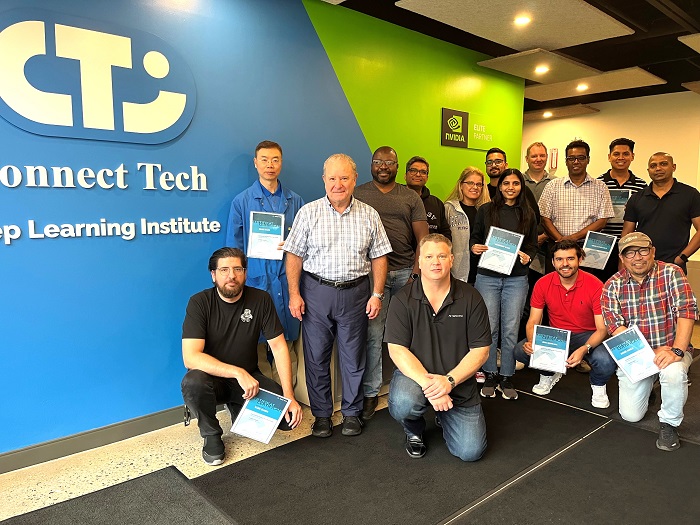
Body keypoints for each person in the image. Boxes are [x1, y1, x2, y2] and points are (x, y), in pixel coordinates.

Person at [284, 153, 391, 438]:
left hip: (356, 294)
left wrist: (377, 294)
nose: (338, 184)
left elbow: (380, 256)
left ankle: (352, 413)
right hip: (316, 292)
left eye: (344, 178)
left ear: (355, 180)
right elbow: (294, 255)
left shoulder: (369, 214)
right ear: (324, 180)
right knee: (316, 357)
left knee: (353, 357)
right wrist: (294, 294)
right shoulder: (308, 213)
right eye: (332, 178)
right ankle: (322, 415)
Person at [181, 247, 303, 466]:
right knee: (192, 381)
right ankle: (211, 435)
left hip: (249, 382)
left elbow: (278, 347)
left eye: (237, 269)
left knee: (286, 421)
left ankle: (237, 405)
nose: (231, 276)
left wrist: (289, 396)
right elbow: (191, 357)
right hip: (212, 381)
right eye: (224, 270)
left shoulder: (261, 299)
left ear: (245, 273)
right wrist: (238, 373)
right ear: (213, 275)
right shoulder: (199, 303)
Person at [384, 234, 491, 461]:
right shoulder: (402, 299)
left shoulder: (471, 297)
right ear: (419, 261)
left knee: (470, 452)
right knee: (404, 403)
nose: (436, 262)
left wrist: (449, 381)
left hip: (458, 380)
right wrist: (431, 387)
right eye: (429, 257)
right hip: (416, 377)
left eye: (442, 256)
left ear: (451, 259)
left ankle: (444, 414)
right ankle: (414, 430)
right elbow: (397, 349)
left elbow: (481, 351)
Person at [601, 232, 698, 451]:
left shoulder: (672, 273)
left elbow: (687, 312)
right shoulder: (612, 285)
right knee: (631, 415)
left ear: (652, 252)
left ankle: (669, 423)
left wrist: (677, 350)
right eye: (630, 253)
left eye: (643, 251)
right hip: (637, 355)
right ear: (622, 258)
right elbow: (615, 326)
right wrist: (647, 352)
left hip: (672, 349)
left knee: (673, 374)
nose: (637, 257)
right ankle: (651, 384)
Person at [354, 146, 429, 420]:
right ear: (371, 164)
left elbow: (423, 239)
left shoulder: (410, 196)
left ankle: (409, 384)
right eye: (378, 162)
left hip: (405, 273)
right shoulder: (358, 193)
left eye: (389, 162)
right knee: (373, 335)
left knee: (408, 334)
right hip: (373, 277)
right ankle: (371, 392)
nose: (383, 166)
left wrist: (416, 275)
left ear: (397, 167)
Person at [225, 140, 304, 385]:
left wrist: (292, 243)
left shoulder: (295, 201)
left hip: (286, 279)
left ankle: (288, 396)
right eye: (265, 160)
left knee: (287, 343)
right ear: (256, 163)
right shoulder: (241, 201)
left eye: (275, 160)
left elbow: (306, 242)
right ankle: (266, 399)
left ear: (281, 163)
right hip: (256, 281)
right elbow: (233, 249)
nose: (270, 165)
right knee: (257, 346)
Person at [514, 240, 617, 408]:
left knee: (605, 360)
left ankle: (598, 386)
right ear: (553, 262)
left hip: (588, 335)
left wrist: (584, 349)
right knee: (521, 351)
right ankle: (548, 373)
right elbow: (533, 320)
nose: (565, 264)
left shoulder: (596, 285)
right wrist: (533, 342)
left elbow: (602, 329)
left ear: (580, 259)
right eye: (559, 259)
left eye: (570, 258)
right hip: (558, 335)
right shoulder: (543, 283)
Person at [470, 169, 538, 400]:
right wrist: (474, 247)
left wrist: (528, 257)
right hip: (487, 276)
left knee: (510, 328)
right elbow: (475, 238)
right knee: (489, 327)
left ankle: (507, 375)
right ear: (499, 186)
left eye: (515, 183)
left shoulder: (528, 213)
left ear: (521, 187)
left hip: (516, 278)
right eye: (506, 183)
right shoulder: (486, 210)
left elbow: (532, 245)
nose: (510, 187)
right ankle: (489, 373)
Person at [539, 140, 615, 274]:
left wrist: (574, 238)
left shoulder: (600, 187)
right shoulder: (552, 186)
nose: (576, 162)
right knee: (555, 284)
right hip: (557, 246)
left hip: (587, 249)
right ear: (566, 161)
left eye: (581, 158)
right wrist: (560, 241)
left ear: (588, 160)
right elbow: (544, 218)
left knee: (586, 284)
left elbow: (602, 221)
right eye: (571, 158)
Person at [621, 152, 700, 274]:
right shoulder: (637, 198)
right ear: (648, 170)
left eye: (663, 164)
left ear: (673, 167)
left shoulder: (690, 195)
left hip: (674, 266)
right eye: (653, 166)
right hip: (641, 266)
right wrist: (623, 266)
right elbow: (626, 235)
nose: (658, 168)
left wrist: (682, 258)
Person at [593, 138, 646, 282]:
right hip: (601, 243)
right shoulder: (598, 183)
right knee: (600, 283)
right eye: (616, 154)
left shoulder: (641, 185)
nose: (621, 158)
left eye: (625, 154)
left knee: (627, 283)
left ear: (632, 156)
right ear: (609, 157)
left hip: (630, 244)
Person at [444, 167, 490, 285]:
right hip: (456, 271)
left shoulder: (487, 211)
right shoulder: (449, 208)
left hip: (482, 273)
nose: (475, 187)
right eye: (470, 183)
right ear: (461, 185)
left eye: (479, 184)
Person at [404, 155, 451, 240]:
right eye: (413, 170)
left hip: (431, 248)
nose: (418, 174)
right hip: (402, 248)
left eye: (423, 172)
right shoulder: (397, 199)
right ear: (405, 175)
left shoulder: (436, 204)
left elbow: (445, 233)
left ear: (427, 177)